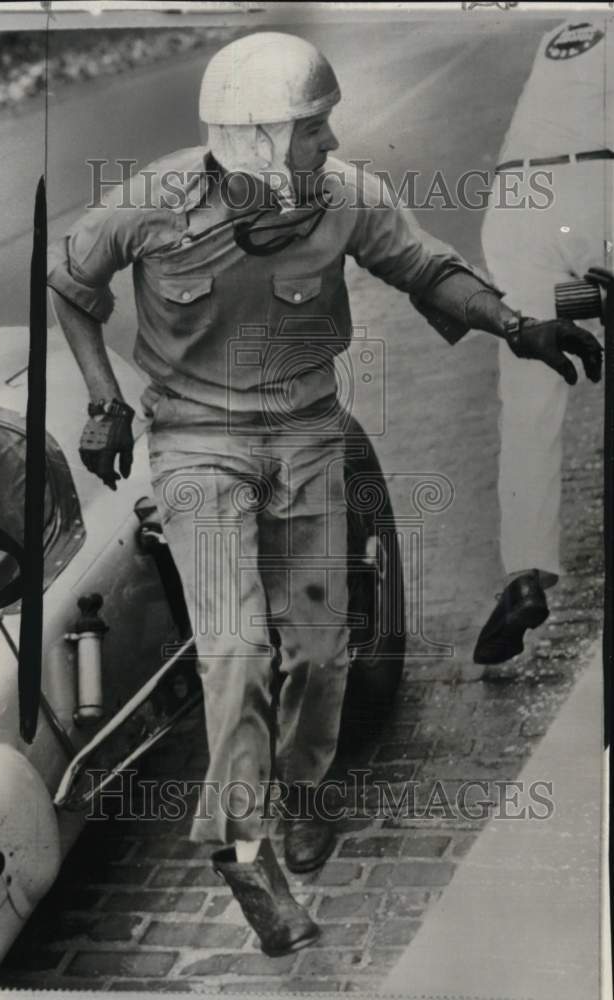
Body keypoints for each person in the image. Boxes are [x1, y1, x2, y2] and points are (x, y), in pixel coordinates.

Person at [47, 32, 601, 955]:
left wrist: (518, 326)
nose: (332, 144)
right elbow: (71, 283)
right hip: (196, 443)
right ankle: (241, 842)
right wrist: (105, 403)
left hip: (307, 432)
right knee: (235, 650)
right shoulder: (149, 203)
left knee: (322, 648)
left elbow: (428, 268)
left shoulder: (345, 198)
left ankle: (303, 790)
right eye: (313, 129)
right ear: (258, 141)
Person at [473, 17, 610, 665]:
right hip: (603, 187)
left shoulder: (562, 29)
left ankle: (524, 576)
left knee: (527, 390)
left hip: (515, 199)